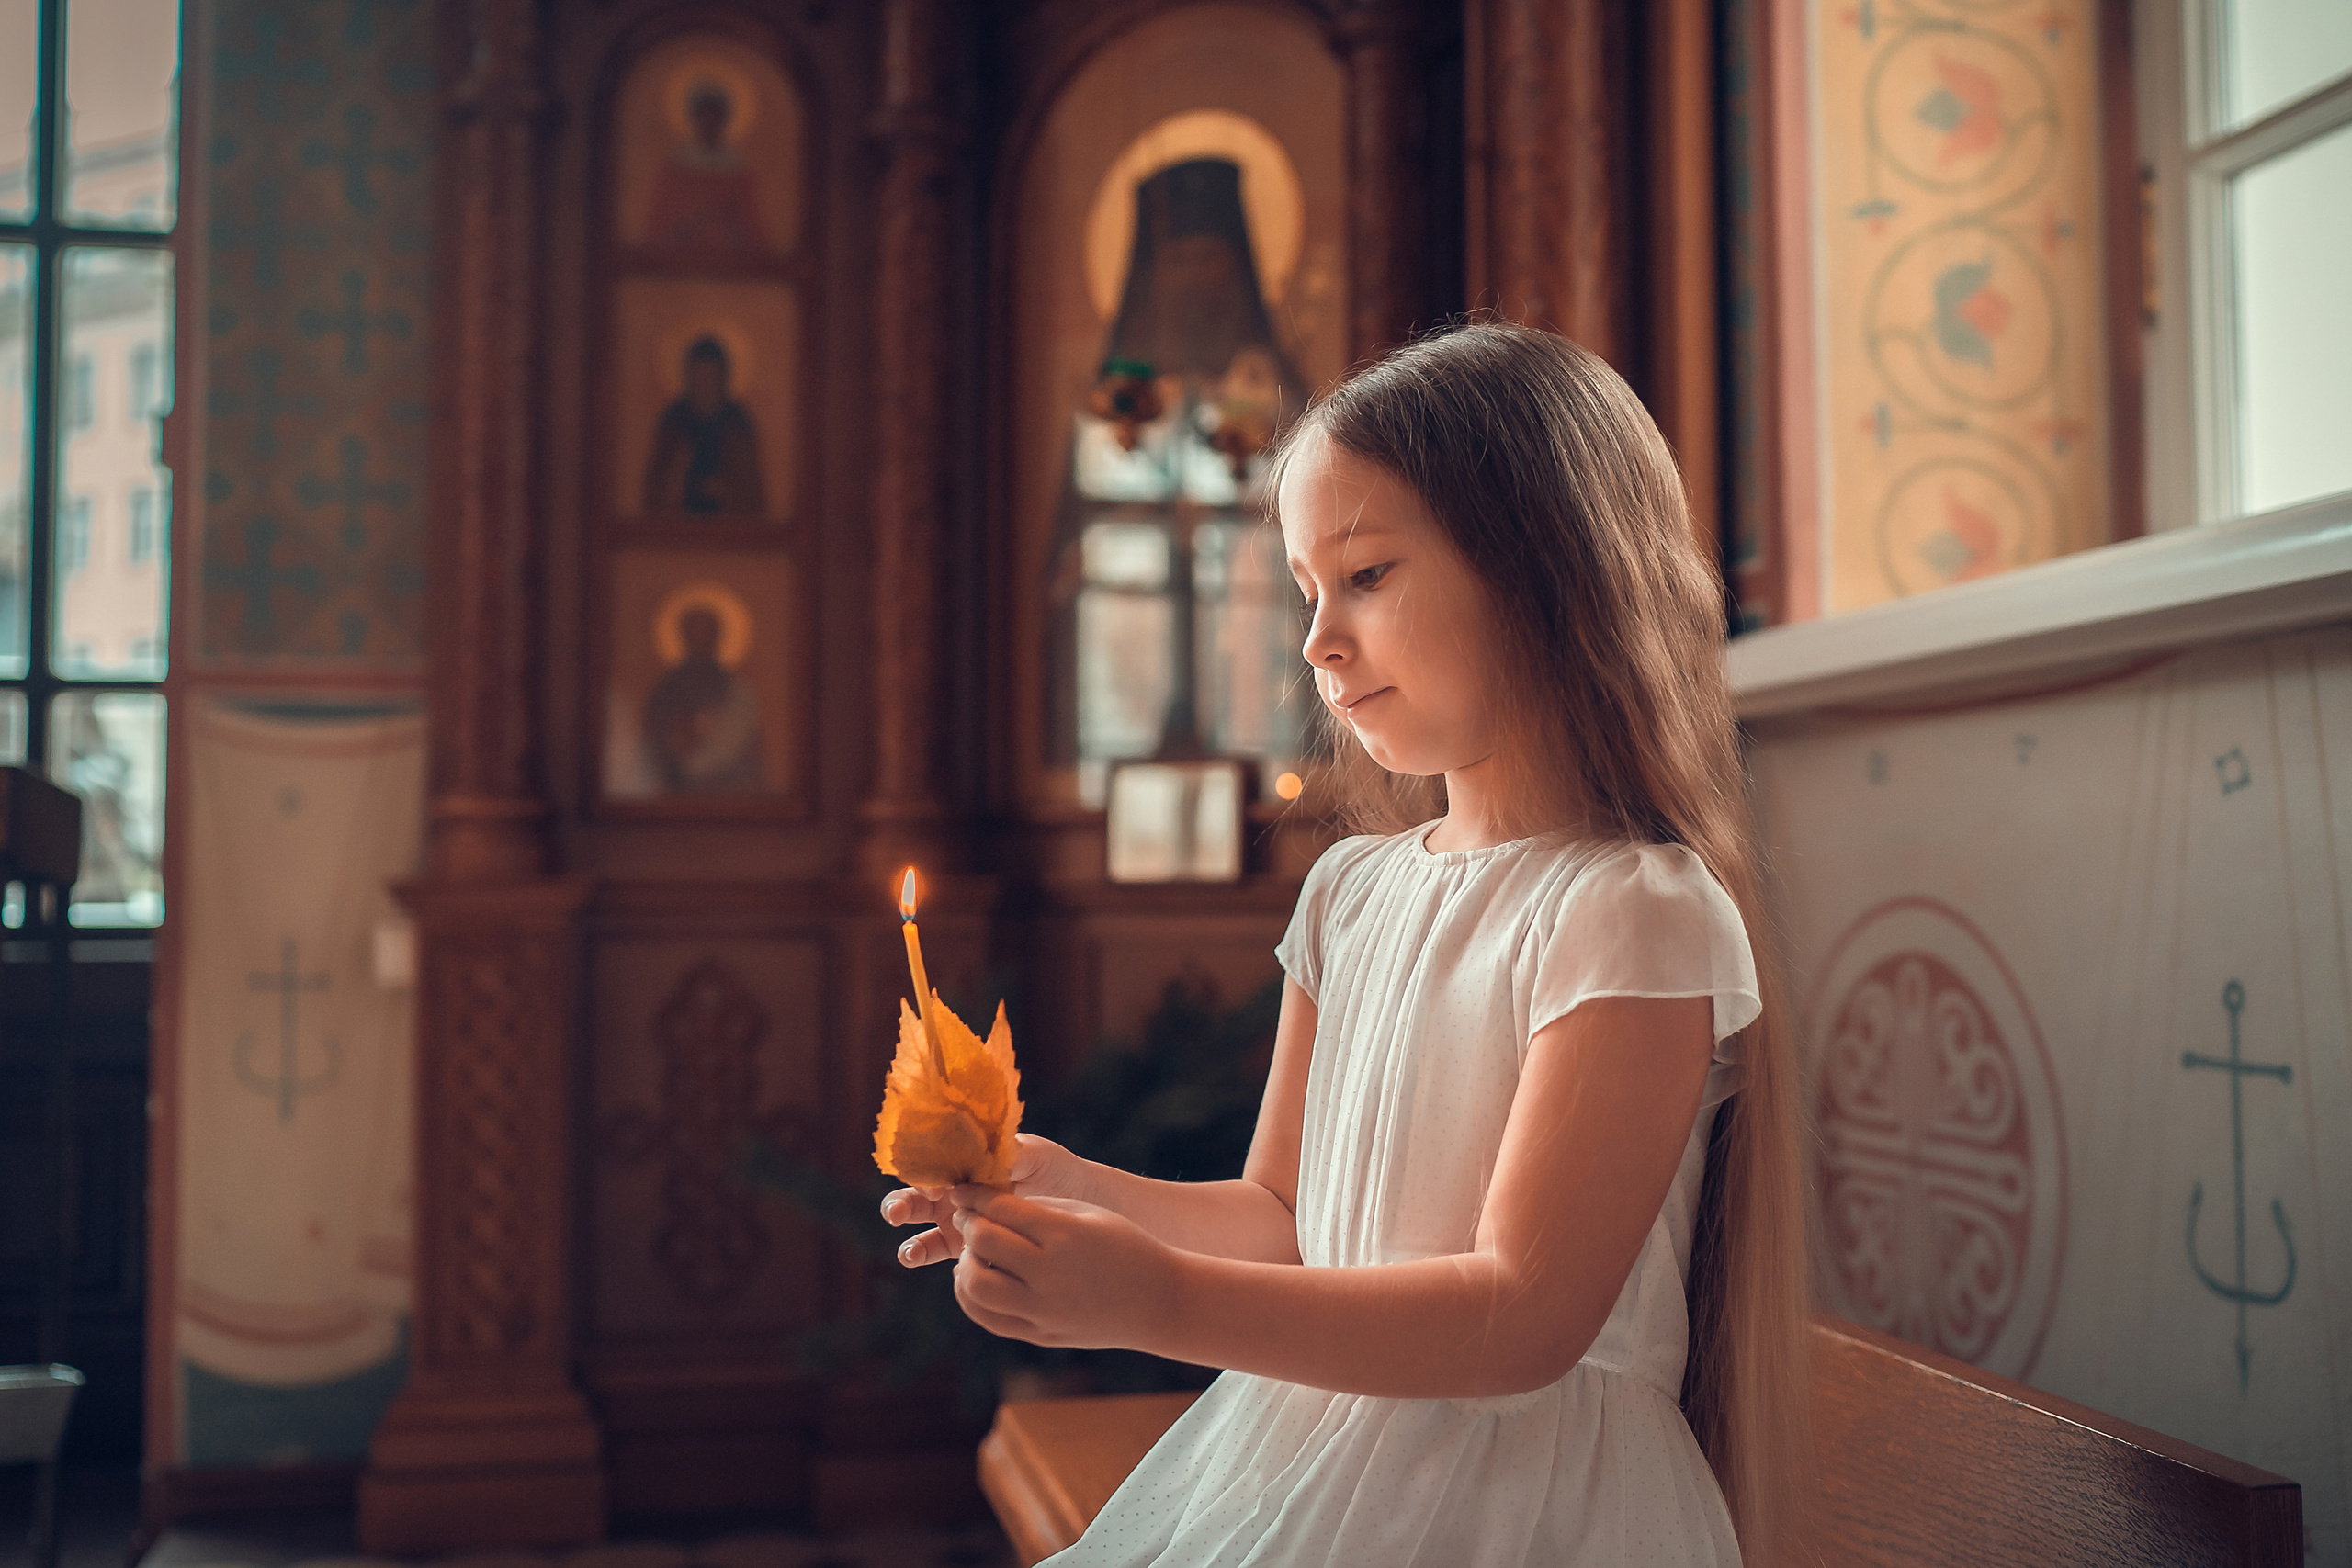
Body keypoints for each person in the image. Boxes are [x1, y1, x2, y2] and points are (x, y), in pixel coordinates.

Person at [886, 323, 1814, 1566]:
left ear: (1549, 568)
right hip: (1311, 1452)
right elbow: (1283, 1214)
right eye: (1309, 591)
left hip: (1521, 1506)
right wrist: (1078, 1190)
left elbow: (1523, 1315)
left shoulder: (1633, 909)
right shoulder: (1350, 892)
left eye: (1368, 574)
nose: (1319, 640)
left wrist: (1154, 1300)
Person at [642, 335, 766, 515]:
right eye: (699, 374)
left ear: (723, 378)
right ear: (688, 376)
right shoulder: (674, 420)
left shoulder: (736, 421)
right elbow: (655, 489)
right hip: (679, 526)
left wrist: (725, 490)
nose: (705, 383)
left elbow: (752, 493)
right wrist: (679, 485)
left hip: (729, 528)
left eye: (711, 375)